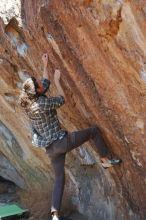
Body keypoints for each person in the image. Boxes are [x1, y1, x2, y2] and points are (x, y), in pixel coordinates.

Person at [19, 53, 121, 220]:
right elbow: (61, 99)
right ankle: (105, 159)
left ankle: (55, 214)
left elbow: (44, 84)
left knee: (59, 179)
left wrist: (45, 65)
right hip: (61, 142)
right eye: (38, 83)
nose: (40, 81)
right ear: (37, 92)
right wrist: (58, 81)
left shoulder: (29, 103)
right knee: (94, 131)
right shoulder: (42, 103)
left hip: (51, 150)